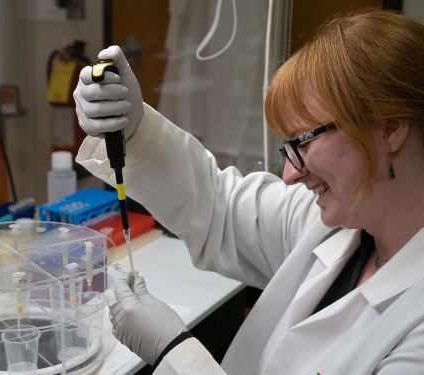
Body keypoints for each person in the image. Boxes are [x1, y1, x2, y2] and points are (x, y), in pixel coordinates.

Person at [73, 8, 424, 375]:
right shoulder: (335, 222)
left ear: (389, 129)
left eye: (302, 143)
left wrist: (175, 353)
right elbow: (217, 207)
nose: (289, 174)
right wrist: (134, 129)